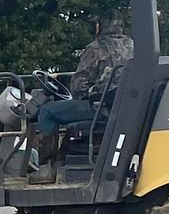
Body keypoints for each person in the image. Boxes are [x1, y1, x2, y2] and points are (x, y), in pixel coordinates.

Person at [33, 10, 133, 171]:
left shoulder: (95, 48)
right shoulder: (132, 45)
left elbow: (79, 89)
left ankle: (46, 167)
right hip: (125, 106)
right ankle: (62, 157)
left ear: (100, 27)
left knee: (47, 112)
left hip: (102, 108)